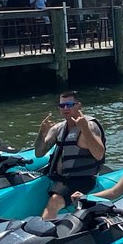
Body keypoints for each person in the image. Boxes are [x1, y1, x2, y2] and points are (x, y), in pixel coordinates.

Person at [34, 91, 106, 220]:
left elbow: (99, 154)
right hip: (60, 177)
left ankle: (45, 234)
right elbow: (39, 153)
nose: (66, 108)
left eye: (70, 104)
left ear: (79, 106)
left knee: (54, 201)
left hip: (82, 179)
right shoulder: (58, 128)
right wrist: (41, 133)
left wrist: (84, 129)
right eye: (62, 106)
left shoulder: (90, 126)